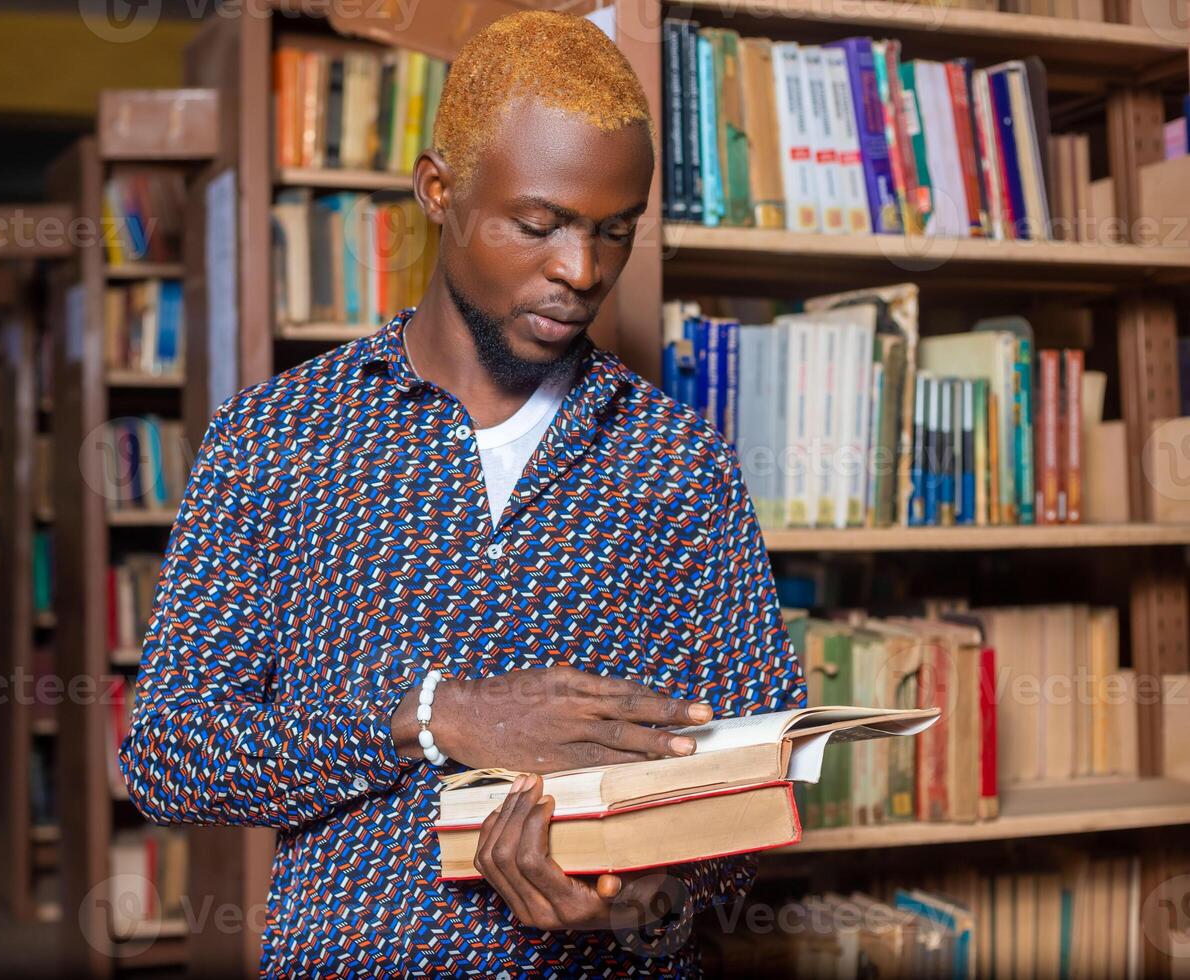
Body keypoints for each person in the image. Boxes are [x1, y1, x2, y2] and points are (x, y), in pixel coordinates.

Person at [121, 10, 805, 976]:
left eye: (615, 233)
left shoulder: (683, 465)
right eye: (539, 225)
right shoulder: (273, 441)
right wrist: (431, 716)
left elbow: (754, 790)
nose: (581, 271)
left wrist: (645, 903)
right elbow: (169, 757)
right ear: (438, 191)